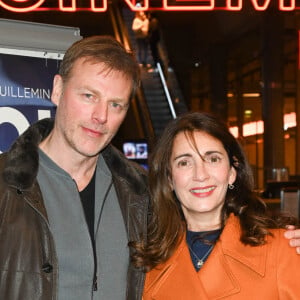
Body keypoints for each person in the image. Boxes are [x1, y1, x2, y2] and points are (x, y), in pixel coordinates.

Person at [0, 35, 150, 300]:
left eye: (115, 105)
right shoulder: (5, 184)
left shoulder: (141, 193)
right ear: (57, 90)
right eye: (89, 95)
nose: (101, 116)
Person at [131, 111, 300, 299]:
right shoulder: (147, 265)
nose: (200, 175)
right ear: (170, 178)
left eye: (213, 159)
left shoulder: (282, 249)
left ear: (231, 172)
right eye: (185, 162)